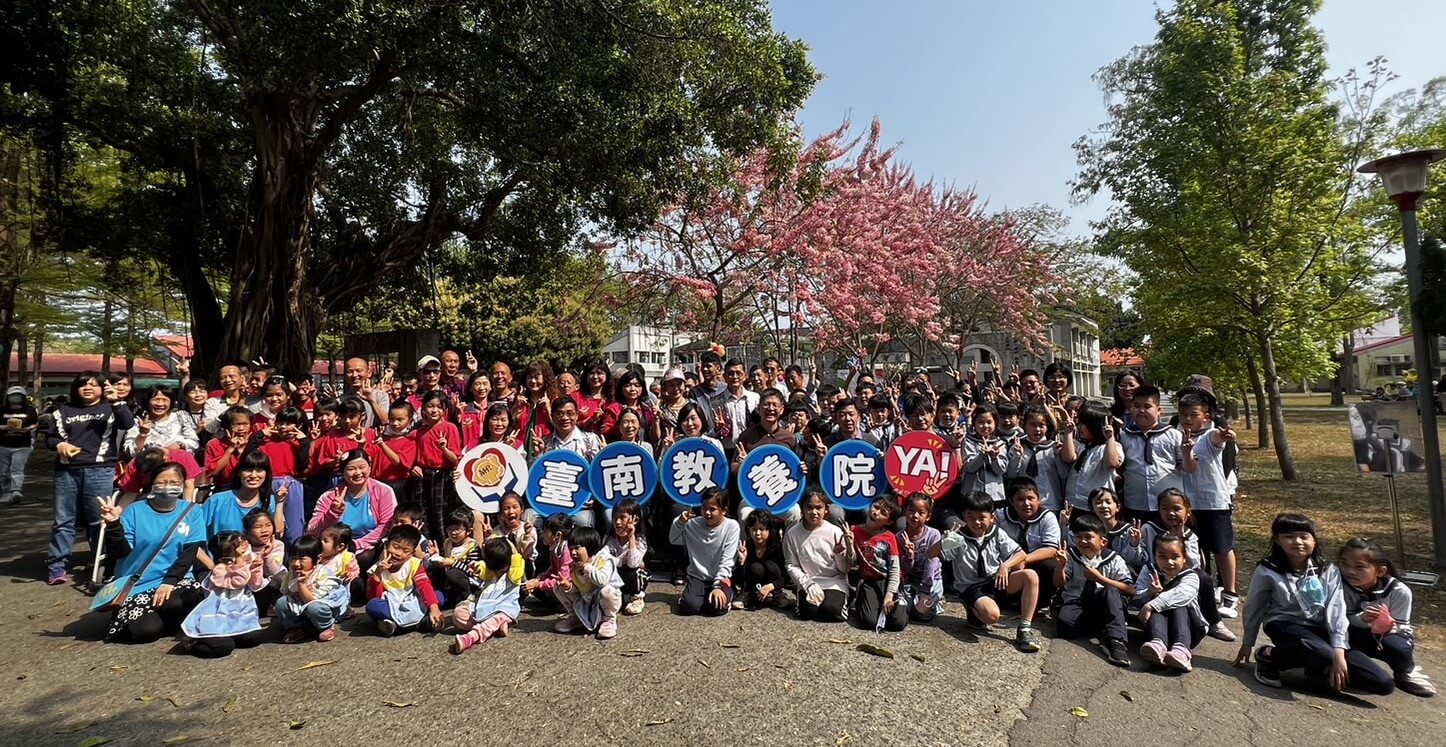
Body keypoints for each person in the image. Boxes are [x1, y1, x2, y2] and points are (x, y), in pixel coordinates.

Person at [1234, 513, 1393, 695]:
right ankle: (1269, 658)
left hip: (1321, 629)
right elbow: (1255, 607)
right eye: (1289, 536)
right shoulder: (1268, 570)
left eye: (1304, 536)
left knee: (1383, 684)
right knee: (1323, 653)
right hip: (1285, 624)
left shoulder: (1329, 571)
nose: (1297, 542)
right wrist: (1248, 642)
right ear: (1277, 541)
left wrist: (1339, 653)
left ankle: (1317, 668)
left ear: (1314, 541)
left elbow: (1336, 610)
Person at [96, 461, 205, 642]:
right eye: (162, 482)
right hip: (139, 582)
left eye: (174, 482)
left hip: (177, 579)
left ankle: (165, 616)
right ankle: (145, 617)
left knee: (179, 602)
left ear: (183, 483)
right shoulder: (134, 511)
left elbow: (190, 551)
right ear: (152, 484)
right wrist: (114, 525)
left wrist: (170, 581)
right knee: (145, 632)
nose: (168, 486)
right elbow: (120, 551)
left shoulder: (192, 511)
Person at [46, 372, 135, 586]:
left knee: (98, 518)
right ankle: (56, 565)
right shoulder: (63, 411)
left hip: (100, 469)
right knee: (63, 520)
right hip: (67, 471)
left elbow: (127, 423)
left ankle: (100, 561)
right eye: (83, 385)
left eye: (94, 385)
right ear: (75, 388)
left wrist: (116, 401)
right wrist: (60, 446)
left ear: (102, 389)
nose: (88, 388)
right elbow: (51, 437)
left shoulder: (110, 408)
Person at [937, 490, 1042, 653]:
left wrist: (1005, 566)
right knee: (991, 616)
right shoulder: (957, 537)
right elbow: (932, 554)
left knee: (1030, 575)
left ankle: (1024, 629)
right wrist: (943, 541)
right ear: (964, 516)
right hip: (972, 587)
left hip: (995, 581)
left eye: (982, 517)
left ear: (991, 517)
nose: (976, 522)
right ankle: (974, 610)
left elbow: (1021, 554)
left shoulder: (997, 532)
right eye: (971, 517)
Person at [1338, 537, 1435, 696]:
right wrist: (1362, 619)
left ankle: (1405, 672)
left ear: (1380, 571)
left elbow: (1403, 625)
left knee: (1399, 646)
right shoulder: (1338, 584)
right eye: (1344, 563)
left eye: (1359, 567)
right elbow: (1341, 618)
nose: (1349, 571)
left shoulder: (1399, 591)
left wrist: (1391, 627)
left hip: (1385, 637)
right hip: (1350, 634)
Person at [1178, 391, 1241, 620]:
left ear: (1205, 417)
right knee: (1198, 549)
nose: (1187, 419)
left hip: (1214, 501)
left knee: (1223, 548)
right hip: (1189, 504)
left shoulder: (1210, 434)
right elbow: (1189, 468)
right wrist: (1185, 451)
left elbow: (1219, 438)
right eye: (1183, 414)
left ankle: (1230, 594)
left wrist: (1226, 435)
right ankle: (1203, 591)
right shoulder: (1178, 436)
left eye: (1193, 415)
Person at [1052, 512, 1134, 668]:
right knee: (1065, 626)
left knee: (1110, 590)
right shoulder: (1071, 555)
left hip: (1105, 602)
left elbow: (1130, 590)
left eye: (1088, 537)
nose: (1083, 541)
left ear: (1102, 541)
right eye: (1078, 537)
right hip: (1078, 601)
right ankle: (1104, 625)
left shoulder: (1114, 559)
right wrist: (1060, 566)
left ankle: (1116, 642)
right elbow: (1059, 583)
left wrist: (1100, 579)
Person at [181, 531, 267, 658]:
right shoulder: (219, 569)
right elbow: (238, 582)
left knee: (255, 637)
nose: (245, 545)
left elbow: (256, 585)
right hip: (218, 615)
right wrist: (240, 561)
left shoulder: (244, 562)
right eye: (239, 544)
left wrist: (256, 569)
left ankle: (231, 635)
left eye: (244, 540)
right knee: (223, 647)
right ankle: (193, 644)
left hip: (238, 613)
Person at [306, 450, 397, 568]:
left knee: (363, 558)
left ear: (369, 468)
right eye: (351, 469)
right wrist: (332, 513)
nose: (358, 472)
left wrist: (356, 545)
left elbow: (386, 526)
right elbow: (312, 530)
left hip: (369, 547)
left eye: (362, 467)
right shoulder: (329, 496)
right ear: (342, 473)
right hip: (335, 547)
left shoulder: (384, 491)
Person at [1135, 532, 1208, 673]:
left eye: (1175, 557)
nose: (1169, 562)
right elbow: (1136, 599)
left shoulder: (1191, 576)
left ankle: (1181, 651)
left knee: (1177, 605)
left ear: (1184, 558)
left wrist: (1153, 603)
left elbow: (1182, 594)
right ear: (1155, 556)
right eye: (1162, 556)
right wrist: (1149, 593)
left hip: (1190, 627)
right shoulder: (1149, 570)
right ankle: (1158, 644)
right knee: (1157, 603)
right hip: (1157, 627)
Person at [670, 488, 741, 617]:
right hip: (698, 576)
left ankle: (728, 592)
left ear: (724, 510)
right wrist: (680, 522)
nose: (707, 513)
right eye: (704, 508)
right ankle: (693, 596)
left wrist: (718, 586)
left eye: (712, 509)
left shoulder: (732, 526)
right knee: (688, 607)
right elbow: (674, 539)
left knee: (717, 608)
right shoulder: (692, 524)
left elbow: (728, 560)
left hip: (721, 577)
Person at [784, 490, 852, 622]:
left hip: (834, 581)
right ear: (802, 509)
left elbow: (845, 569)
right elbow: (791, 564)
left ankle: (847, 596)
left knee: (832, 612)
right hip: (809, 581)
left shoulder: (835, 532)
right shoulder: (792, 534)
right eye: (809, 507)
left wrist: (840, 553)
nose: (814, 512)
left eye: (818, 508)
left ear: (826, 509)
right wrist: (807, 583)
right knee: (807, 612)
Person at [1117, 385, 1183, 522]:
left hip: (1168, 506)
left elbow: (1185, 466)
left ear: (1159, 410)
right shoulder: (1124, 436)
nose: (1141, 411)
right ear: (1131, 409)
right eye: (1136, 406)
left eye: (1147, 407)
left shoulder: (1174, 435)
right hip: (1135, 502)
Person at [366, 523, 444, 637]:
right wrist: (378, 573)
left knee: (438, 596)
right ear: (386, 545)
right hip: (392, 604)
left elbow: (424, 585)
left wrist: (434, 609)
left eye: (405, 550)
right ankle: (419, 624)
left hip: (412, 600)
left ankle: (397, 626)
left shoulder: (414, 564)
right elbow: (374, 597)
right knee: (372, 605)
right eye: (396, 547)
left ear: (411, 554)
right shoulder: (376, 569)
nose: (398, 553)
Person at [452, 535, 526, 654]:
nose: (498, 572)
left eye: (502, 569)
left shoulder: (513, 574)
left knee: (499, 616)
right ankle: (495, 627)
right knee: (458, 614)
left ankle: (473, 636)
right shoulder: (490, 571)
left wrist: (508, 542)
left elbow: (517, 557)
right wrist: (475, 566)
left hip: (504, 609)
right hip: (483, 608)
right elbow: (482, 567)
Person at [995, 478, 1062, 604]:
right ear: (1011, 501)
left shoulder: (1048, 517)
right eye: (1020, 499)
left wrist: (1022, 559)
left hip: (1033, 562)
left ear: (1038, 499)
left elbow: (1051, 549)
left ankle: (1042, 601)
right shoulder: (999, 516)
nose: (1026, 503)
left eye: (1031, 498)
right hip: (1006, 564)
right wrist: (1011, 563)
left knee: (1051, 565)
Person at [202, 451, 285, 549]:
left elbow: (279, 534)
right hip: (219, 562)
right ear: (239, 472)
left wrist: (280, 502)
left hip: (258, 561)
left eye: (259, 470)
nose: (253, 475)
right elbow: (196, 536)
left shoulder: (270, 501)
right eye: (248, 470)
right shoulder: (216, 501)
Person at [275, 535, 349, 643]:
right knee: (281, 603)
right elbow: (286, 591)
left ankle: (326, 626)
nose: (296, 564)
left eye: (301, 559)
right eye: (292, 559)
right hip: (301, 607)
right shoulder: (291, 574)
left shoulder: (323, 574)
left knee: (314, 608)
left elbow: (311, 600)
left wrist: (301, 584)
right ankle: (297, 627)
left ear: (318, 558)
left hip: (320, 606)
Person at [409, 391, 461, 542]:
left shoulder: (450, 428)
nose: (434, 410)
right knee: (424, 516)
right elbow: (409, 454)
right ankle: (427, 550)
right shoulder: (418, 432)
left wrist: (444, 448)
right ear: (423, 409)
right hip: (423, 477)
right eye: (430, 406)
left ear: (444, 409)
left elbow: (454, 460)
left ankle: (445, 547)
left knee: (441, 515)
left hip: (442, 477)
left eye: (439, 406)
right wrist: (414, 466)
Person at [554, 526, 624, 639]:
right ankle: (576, 618)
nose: (573, 553)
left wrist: (589, 568)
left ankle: (609, 620)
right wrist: (568, 586)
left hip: (604, 600)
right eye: (570, 548)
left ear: (590, 547)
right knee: (558, 588)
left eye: (577, 548)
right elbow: (580, 588)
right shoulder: (575, 567)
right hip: (587, 601)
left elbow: (602, 581)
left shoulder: (604, 560)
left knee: (607, 590)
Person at [852, 497, 909, 632]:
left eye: (883, 512)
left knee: (897, 624)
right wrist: (849, 547)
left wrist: (889, 594)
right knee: (869, 622)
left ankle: (902, 602)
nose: (876, 513)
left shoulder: (889, 537)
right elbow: (849, 563)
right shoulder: (854, 531)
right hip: (869, 582)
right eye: (875, 507)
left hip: (888, 581)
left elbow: (895, 568)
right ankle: (861, 600)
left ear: (889, 521)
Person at [253, 406, 308, 542]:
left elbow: (303, 466)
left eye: (289, 423)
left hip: (291, 485)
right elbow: (250, 454)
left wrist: (303, 442)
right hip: (268, 483)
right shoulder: (266, 441)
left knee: (293, 525)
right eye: (281, 422)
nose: (283, 427)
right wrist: (260, 434)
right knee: (269, 522)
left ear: (298, 425)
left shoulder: (298, 443)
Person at [1008, 405, 1072, 512]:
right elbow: (1011, 475)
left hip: (1050, 502)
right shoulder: (1018, 445)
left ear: (1047, 427)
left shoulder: (1054, 447)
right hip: (1025, 503)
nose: (1037, 429)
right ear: (1024, 425)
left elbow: (1064, 475)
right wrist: (1017, 457)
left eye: (1041, 425)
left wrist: (1057, 457)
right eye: (1032, 425)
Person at [1062, 402, 1122, 511]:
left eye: (1084, 423)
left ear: (1095, 426)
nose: (1080, 426)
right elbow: (1068, 457)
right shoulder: (1079, 444)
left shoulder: (1110, 446)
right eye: (1079, 422)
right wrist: (1068, 433)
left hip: (1096, 506)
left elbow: (1112, 463)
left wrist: (1109, 438)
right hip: (1073, 502)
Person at [896, 494, 943, 622]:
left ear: (927, 516)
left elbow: (931, 564)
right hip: (910, 581)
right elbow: (903, 570)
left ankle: (935, 602)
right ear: (905, 511)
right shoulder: (899, 537)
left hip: (931, 580)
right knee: (905, 609)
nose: (914, 516)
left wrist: (925, 591)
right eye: (911, 510)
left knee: (923, 614)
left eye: (920, 513)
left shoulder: (933, 535)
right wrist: (909, 556)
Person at [734, 509, 789, 611]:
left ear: (769, 530)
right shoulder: (746, 546)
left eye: (762, 529)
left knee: (770, 565)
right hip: (753, 584)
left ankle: (774, 594)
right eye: (753, 529)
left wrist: (770, 587)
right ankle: (749, 594)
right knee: (756, 567)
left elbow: (784, 576)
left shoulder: (777, 547)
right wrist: (741, 562)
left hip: (771, 585)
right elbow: (739, 579)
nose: (757, 533)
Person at [429, 508, 482, 610]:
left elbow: (473, 572)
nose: (453, 533)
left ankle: (468, 597)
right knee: (433, 569)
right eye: (450, 529)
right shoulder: (448, 543)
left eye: (457, 529)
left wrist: (453, 563)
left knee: (453, 573)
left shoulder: (472, 546)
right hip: (451, 583)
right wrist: (436, 556)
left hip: (469, 583)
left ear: (468, 531)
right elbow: (445, 559)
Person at [960, 404, 1010, 507]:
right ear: (974, 424)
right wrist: (981, 456)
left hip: (995, 495)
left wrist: (994, 457)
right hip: (972, 492)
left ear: (996, 423)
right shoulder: (969, 441)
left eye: (989, 422)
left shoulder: (1000, 443)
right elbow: (969, 467)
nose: (985, 426)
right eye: (980, 422)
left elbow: (1001, 470)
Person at [606, 499, 649, 615]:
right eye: (615, 518)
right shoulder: (611, 540)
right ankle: (618, 597)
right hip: (617, 577)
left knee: (635, 571)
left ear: (635, 520)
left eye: (622, 517)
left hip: (632, 578)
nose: (618, 522)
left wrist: (631, 537)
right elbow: (607, 560)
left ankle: (637, 598)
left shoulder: (640, 540)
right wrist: (621, 560)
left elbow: (633, 563)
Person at [523, 514, 573, 611]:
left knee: (551, 588)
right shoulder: (554, 548)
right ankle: (557, 604)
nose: (543, 534)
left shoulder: (566, 551)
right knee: (535, 588)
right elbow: (552, 570)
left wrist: (539, 584)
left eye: (546, 531)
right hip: (557, 584)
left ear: (558, 535)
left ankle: (567, 606)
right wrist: (538, 579)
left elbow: (562, 579)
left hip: (568, 586)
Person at [242, 509, 286, 617]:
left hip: (271, 587)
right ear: (246, 532)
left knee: (282, 576)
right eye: (258, 527)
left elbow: (274, 572)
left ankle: (274, 606)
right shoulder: (243, 548)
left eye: (268, 525)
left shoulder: (277, 545)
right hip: (252, 589)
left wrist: (266, 555)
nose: (264, 530)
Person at [0, 385, 40, 504]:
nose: (15, 398)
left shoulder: (30, 410)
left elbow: (35, 424)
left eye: (18, 396)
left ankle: (16, 491)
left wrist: (27, 429)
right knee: (3, 470)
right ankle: (5, 491)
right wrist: (4, 427)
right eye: (13, 396)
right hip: (3, 444)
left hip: (22, 444)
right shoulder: (2, 410)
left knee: (17, 469)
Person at [370, 402, 417, 497]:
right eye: (392, 419)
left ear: (410, 420)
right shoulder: (382, 437)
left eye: (400, 420)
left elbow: (397, 461)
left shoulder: (410, 441)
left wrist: (382, 445)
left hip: (397, 484)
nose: (395, 423)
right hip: (377, 481)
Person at [202, 406, 253, 489]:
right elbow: (213, 472)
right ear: (227, 427)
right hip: (224, 487)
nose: (241, 428)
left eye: (245, 424)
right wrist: (230, 449)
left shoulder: (255, 442)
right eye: (236, 425)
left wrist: (242, 450)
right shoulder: (215, 444)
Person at [340, 357, 390, 428]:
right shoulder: (342, 399)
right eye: (350, 372)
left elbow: (384, 421)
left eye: (359, 370)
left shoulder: (381, 395)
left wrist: (371, 400)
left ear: (369, 373)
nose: (354, 375)